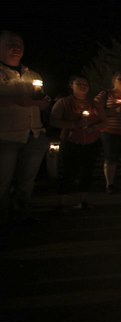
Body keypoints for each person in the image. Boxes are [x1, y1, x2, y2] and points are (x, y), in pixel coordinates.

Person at [0, 30, 50, 228]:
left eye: (19, 44)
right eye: (10, 44)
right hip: (5, 136)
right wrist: (20, 101)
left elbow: (42, 98)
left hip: (33, 134)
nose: (16, 48)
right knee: (2, 183)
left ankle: (21, 214)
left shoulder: (33, 74)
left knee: (26, 182)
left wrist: (43, 102)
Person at [49, 75, 106, 209]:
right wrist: (74, 124)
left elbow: (105, 121)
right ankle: (63, 201)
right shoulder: (64, 102)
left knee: (87, 171)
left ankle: (83, 200)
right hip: (71, 141)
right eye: (78, 83)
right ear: (71, 86)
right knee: (69, 171)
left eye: (85, 83)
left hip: (91, 142)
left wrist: (93, 127)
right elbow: (53, 121)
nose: (82, 85)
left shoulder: (94, 104)